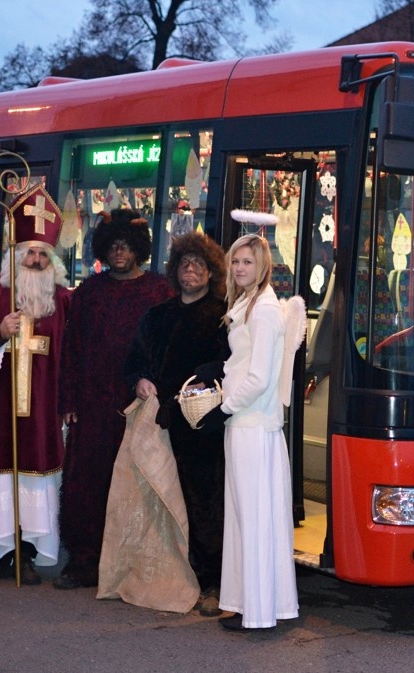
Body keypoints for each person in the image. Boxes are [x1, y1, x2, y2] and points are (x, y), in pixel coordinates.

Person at [0, 184, 72, 585]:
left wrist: (70, 398)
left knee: (36, 478)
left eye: (44, 253)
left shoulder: (64, 300)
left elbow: (74, 352)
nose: (37, 259)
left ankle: (26, 549)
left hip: (44, 407)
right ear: (15, 254)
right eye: (30, 252)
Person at [55, 209, 173, 589]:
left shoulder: (160, 291)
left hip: (141, 403)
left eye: (126, 245)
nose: (119, 252)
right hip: (92, 404)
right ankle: (83, 561)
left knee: (138, 485)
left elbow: (171, 347)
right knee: (86, 483)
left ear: (139, 248)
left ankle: (131, 564)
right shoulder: (89, 292)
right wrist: (69, 398)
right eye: (113, 245)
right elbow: (71, 349)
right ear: (104, 248)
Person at [124, 232, 229, 616]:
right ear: (175, 270)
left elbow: (231, 365)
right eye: (185, 263)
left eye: (199, 264)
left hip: (204, 428)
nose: (191, 270)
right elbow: (133, 360)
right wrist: (139, 379)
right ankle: (171, 574)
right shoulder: (158, 315)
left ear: (211, 272)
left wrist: (207, 382)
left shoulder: (224, 314)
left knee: (205, 504)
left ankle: (211, 583)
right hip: (162, 423)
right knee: (164, 502)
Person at [199, 233, 299, 631]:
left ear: (262, 266)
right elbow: (246, 366)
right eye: (235, 261)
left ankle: (258, 611)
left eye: (247, 262)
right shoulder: (249, 304)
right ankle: (246, 603)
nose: (240, 268)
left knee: (253, 519)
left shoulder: (264, 310)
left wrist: (221, 408)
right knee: (244, 518)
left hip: (252, 424)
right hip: (247, 422)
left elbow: (259, 377)